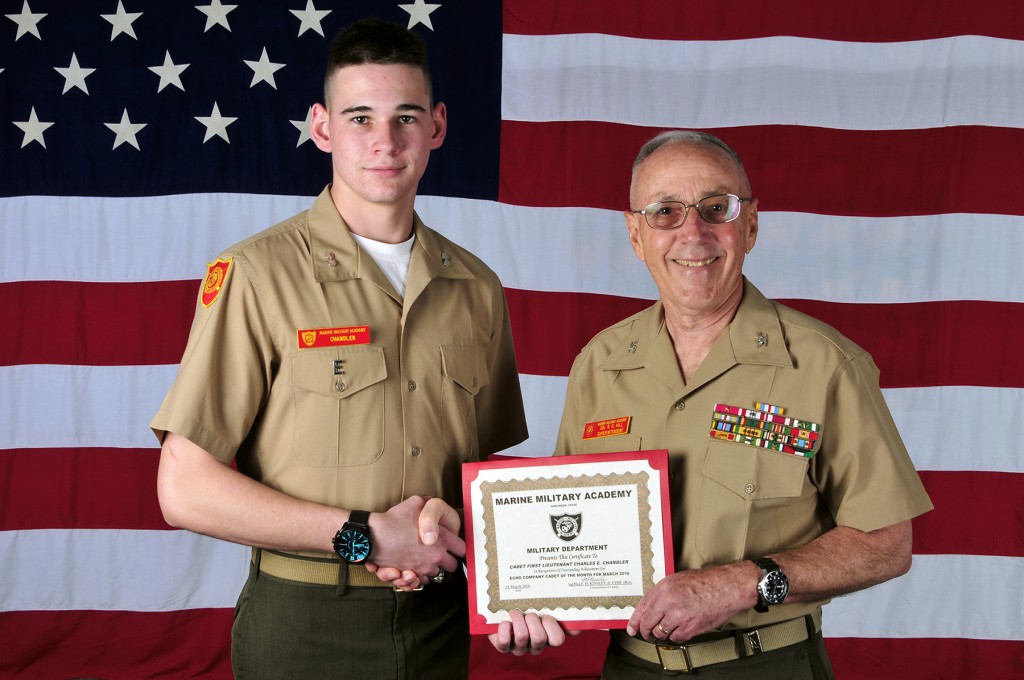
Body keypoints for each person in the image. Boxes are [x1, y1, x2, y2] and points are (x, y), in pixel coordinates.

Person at [152, 18, 527, 679]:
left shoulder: (476, 287)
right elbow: (183, 488)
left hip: (437, 621)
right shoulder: (258, 275)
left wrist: (451, 516)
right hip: (305, 622)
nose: (385, 141)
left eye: (405, 117)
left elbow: (479, 470)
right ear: (322, 127)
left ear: (437, 126)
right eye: (360, 117)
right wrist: (363, 532)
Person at [491, 130, 932, 677]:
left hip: (768, 665)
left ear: (749, 224)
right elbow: (565, 537)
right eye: (665, 211)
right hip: (630, 667)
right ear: (635, 233)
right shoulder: (598, 365)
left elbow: (888, 543)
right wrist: (534, 606)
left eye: (715, 208)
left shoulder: (825, 365)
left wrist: (740, 582)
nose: (692, 232)